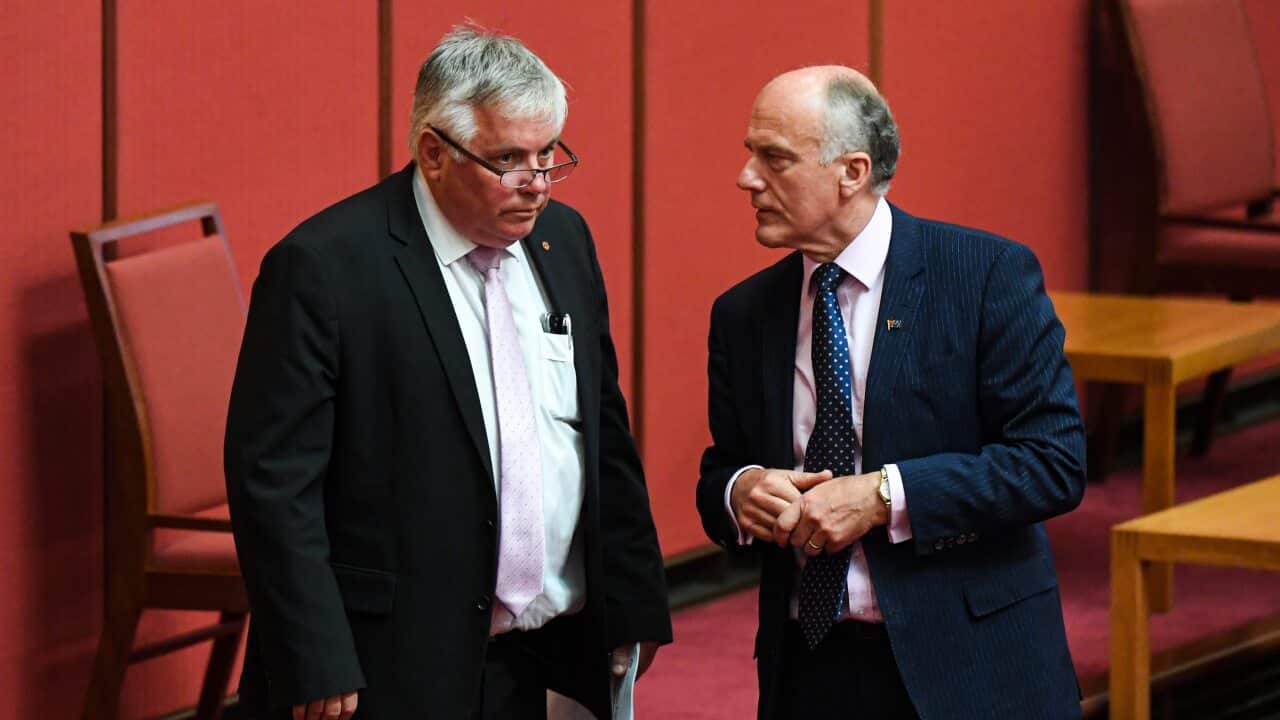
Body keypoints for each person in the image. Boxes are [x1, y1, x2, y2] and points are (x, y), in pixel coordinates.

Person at [225, 26, 671, 720]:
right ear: (433, 152)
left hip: (545, 648)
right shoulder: (325, 270)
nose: (536, 185)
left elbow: (601, 428)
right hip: (391, 660)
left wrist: (633, 594)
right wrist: (312, 651)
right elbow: (275, 485)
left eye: (548, 155)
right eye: (508, 160)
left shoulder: (564, 242)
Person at [696, 66, 1085, 719]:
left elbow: (1053, 464)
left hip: (971, 666)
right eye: (749, 153)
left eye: (775, 158)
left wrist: (883, 497)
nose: (747, 178)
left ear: (851, 171)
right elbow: (720, 469)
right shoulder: (743, 313)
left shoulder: (985, 276)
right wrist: (741, 491)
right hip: (810, 666)